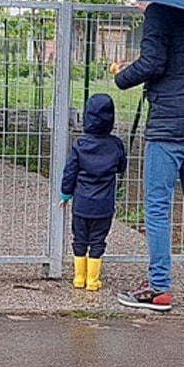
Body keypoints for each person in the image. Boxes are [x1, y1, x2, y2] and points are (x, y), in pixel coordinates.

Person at [110, 1, 184, 312]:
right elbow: (180, 61)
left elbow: (154, 63)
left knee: (157, 205)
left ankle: (159, 287)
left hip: (169, 124)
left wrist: (121, 75)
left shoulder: (159, 11)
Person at [59, 93, 127, 291]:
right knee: (98, 240)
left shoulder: (80, 144)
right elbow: (121, 167)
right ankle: (93, 280)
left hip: (81, 204)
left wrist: (65, 193)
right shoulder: (116, 145)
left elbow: (70, 171)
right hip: (104, 206)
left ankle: (79, 277)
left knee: (79, 238)